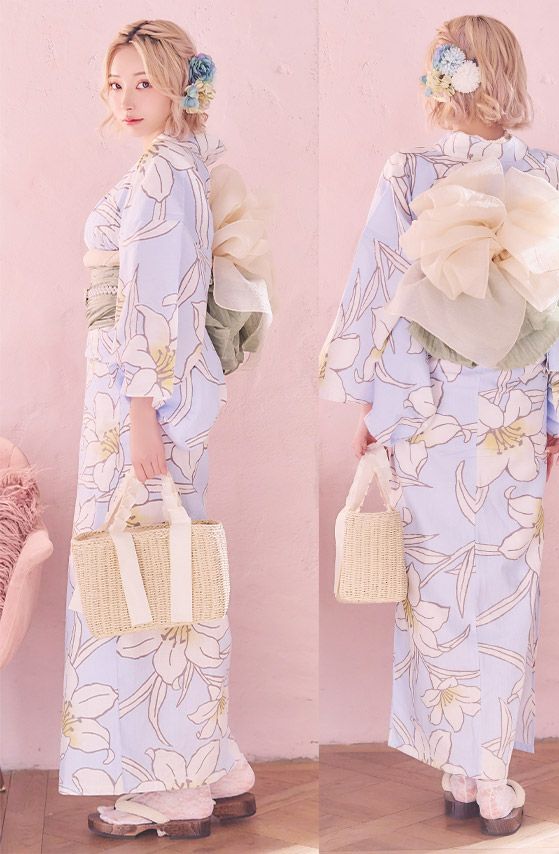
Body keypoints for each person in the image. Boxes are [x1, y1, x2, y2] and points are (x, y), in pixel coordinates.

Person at [318, 14, 559, 837]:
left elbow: (380, 292)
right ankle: (485, 775)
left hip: (427, 411)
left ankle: (466, 769)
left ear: (444, 79)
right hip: (512, 413)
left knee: (436, 591)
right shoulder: (547, 172)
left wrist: (377, 408)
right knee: (501, 589)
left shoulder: (410, 171)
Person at [59, 19, 257, 840]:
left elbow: (155, 302)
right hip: (154, 398)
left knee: (140, 584)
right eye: (116, 83)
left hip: (141, 404)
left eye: (144, 81)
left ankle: (173, 791)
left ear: (180, 84)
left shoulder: (163, 174)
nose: (127, 98)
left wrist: (140, 411)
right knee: (165, 576)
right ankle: (217, 764)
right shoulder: (181, 163)